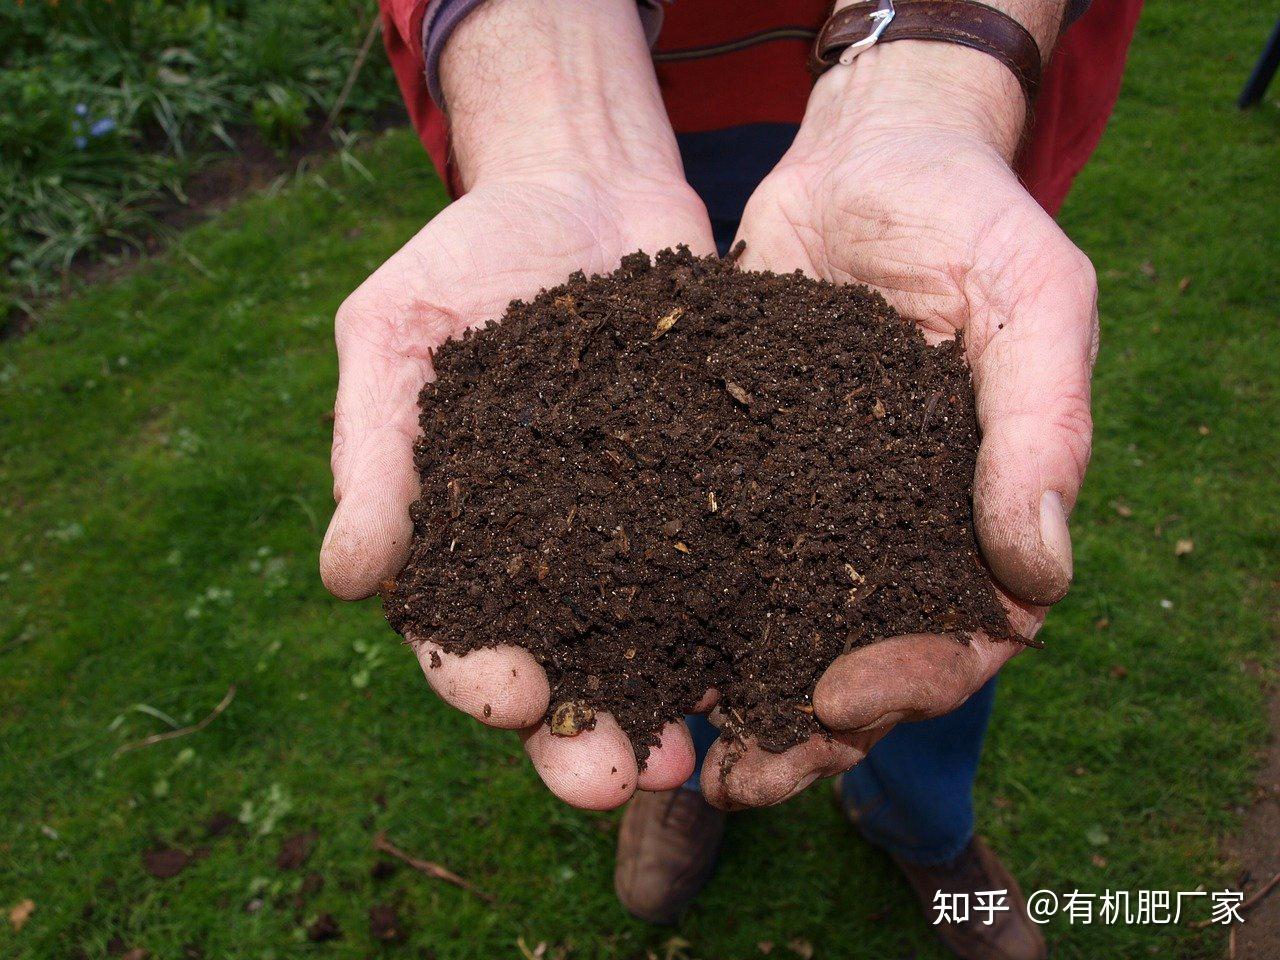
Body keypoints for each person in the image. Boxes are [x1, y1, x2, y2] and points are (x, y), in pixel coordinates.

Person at [320, 1, 1142, 956]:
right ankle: (684, 776)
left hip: (943, 90)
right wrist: (556, 108)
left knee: (934, 598)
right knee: (687, 641)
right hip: (631, 89)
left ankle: (923, 828)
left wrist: (931, 77)